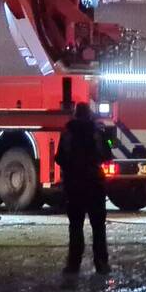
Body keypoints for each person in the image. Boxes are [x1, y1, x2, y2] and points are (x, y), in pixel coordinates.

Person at [55, 102, 112, 274]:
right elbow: (107, 155)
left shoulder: (68, 133)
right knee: (98, 227)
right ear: (89, 114)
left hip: (74, 185)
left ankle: (73, 264)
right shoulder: (97, 132)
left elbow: (60, 158)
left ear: (75, 114)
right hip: (94, 184)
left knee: (75, 227)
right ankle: (101, 263)